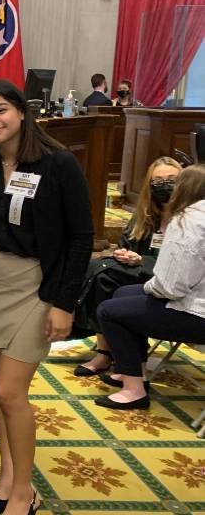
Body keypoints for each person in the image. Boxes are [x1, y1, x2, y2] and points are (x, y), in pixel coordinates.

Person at [0, 79, 93, 515]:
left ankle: (24, 492)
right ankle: (9, 474)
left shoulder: (58, 163)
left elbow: (80, 237)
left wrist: (64, 302)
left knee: (10, 392)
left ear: (20, 111)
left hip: (37, 287)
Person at [95, 163, 205, 410]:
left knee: (110, 311)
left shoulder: (188, 221)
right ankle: (134, 371)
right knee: (123, 293)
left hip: (196, 312)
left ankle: (134, 390)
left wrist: (149, 287)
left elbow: (170, 287)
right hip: (195, 300)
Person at [72, 157, 182, 375]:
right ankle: (107, 352)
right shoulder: (144, 214)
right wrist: (124, 253)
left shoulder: (190, 218)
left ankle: (108, 353)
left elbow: (183, 264)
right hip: (140, 274)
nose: (164, 186)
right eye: (157, 181)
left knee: (106, 279)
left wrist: (142, 261)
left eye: (171, 180)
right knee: (100, 272)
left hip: (172, 282)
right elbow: (126, 244)